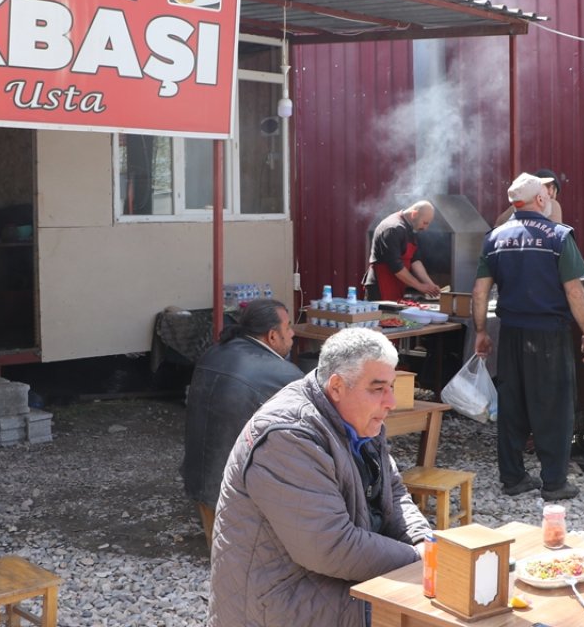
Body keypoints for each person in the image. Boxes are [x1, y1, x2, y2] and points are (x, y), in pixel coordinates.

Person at [208, 328, 431, 627]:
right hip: (282, 603)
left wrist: (424, 541)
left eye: (391, 386)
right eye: (378, 388)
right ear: (337, 386)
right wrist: (417, 561)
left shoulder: (360, 418)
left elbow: (393, 491)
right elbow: (331, 546)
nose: (390, 401)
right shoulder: (287, 436)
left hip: (333, 584)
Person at [473, 172, 584, 501]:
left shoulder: (494, 238)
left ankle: (513, 477)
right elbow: (575, 292)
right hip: (549, 335)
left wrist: (482, 331)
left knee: (511, 404)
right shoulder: (558, 236)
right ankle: (554, 483)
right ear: (541, 200)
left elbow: (480, 291)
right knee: (554, 406)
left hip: (511, 332)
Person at [182, 299, 302, 543]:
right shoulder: (282, 374)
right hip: (235, 493)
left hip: (197, 479)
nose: (292, 333)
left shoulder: (214, 351)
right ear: (272, 336)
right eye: (288, 327)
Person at [363, 200, 441, 301]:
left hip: (397, 286)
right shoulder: (392, 228)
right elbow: (396, 266)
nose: (425, 228)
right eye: (425, 223)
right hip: (379, 287)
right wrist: (420, 286)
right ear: (414, 214)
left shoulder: (410, 228)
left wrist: (430, 285)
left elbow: (415, 260)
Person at [494, 168, 564, 226]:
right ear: (551, 189)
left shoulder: (504, 216)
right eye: (556, 193)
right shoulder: (552, 204)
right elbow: (558, 237)